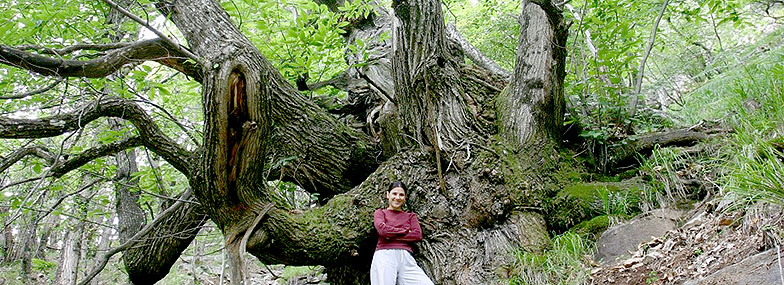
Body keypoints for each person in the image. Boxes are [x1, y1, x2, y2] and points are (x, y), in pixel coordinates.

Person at [370, 181, 434, 285]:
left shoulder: (410, 216)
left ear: (405, 198)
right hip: (385, 255)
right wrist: (404, 230)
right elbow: (383, 231)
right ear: (388, 195)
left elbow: (417, 235)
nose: (397, 197)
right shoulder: (380, 213)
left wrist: (390, 235)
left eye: (401, 195)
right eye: (394, 194)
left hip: (406, 257)